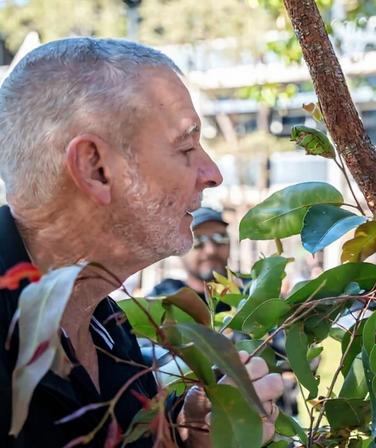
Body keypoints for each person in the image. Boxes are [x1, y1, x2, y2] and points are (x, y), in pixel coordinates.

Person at [0, 37, 282, 447]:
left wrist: (184, 434)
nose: (212, 172)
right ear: (96, 167)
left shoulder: (108, 326)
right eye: (186, 146)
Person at [149, 207, 233, 312]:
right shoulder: (162, 302)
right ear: (179, 249)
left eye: (220, 237)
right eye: (197, 240)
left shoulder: (249, 299)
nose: (211, 250)